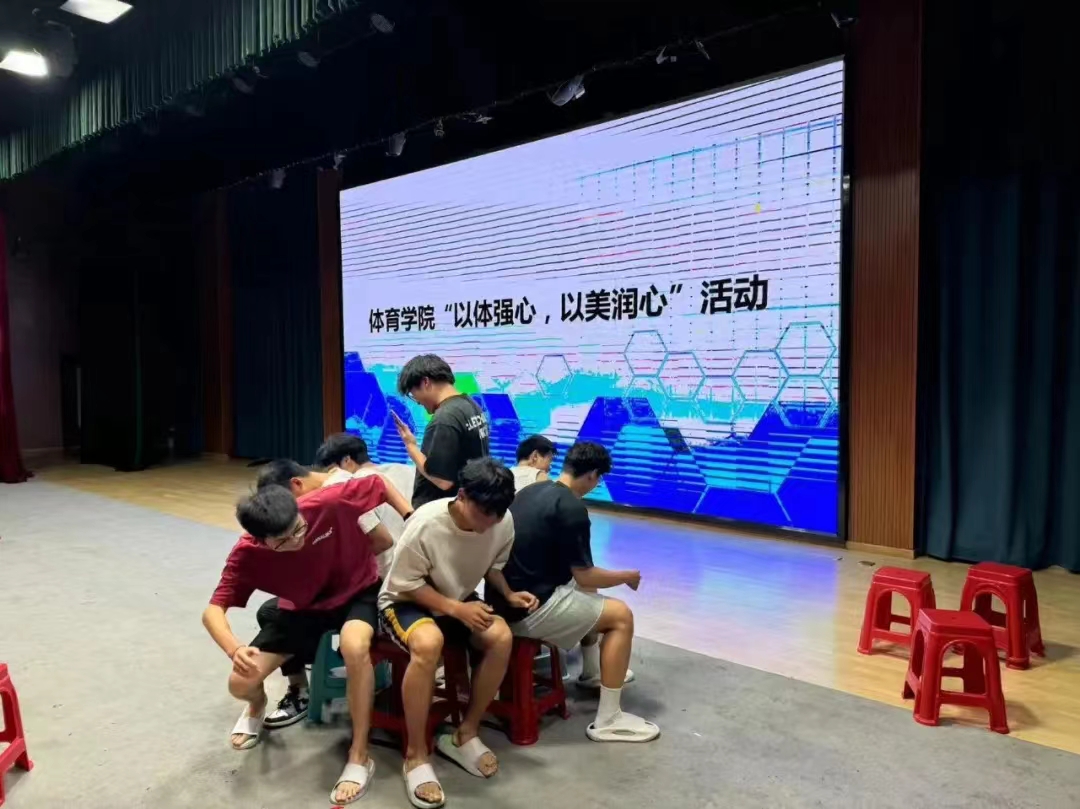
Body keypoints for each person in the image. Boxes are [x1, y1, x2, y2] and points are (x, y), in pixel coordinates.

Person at [202, 476, 391, 804]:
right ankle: (257, 705)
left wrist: (410, 513)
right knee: (240, 683)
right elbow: (212, 611)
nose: (297, 540)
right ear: (260, 541)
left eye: (299, 529)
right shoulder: (246, 554)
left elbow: (379, 483)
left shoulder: (324, 503)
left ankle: (360, 754)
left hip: (357, 593)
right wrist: (234, 649)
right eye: (283, 541)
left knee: (355, 645)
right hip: (304, 608)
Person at [378, 457, 531, 809]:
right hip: (405, 600)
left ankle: (466, 733)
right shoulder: (426, 523)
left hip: (457, 598)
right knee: (428, 643)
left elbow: (493, 567)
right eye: (483, 513)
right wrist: (456, 609)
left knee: (500, 637)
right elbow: (405, 584)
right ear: (462, 496)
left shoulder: (502, 520)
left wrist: (508, 593)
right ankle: (416, 754)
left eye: (497, 514)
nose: (490, 522)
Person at [487, 441, 659, 743]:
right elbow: (585, 572)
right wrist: (627, 577)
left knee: (589, 591)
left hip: (502, 597)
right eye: (598, 479)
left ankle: (592, 672)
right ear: (592, 475)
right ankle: (609, 719)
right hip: (529, 609)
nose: (596, 484)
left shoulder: (531, 491)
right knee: (621, 616)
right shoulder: (572, 508)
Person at [252, 455, 413, 730]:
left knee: (280, 615)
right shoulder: (333, 484)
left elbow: (382, 541)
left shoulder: (339, 493)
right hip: (352, 580)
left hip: (372, 584)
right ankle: (301, 682)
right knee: (276, 607)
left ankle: (301, 689)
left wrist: (329, 569)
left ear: (296, 484)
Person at [392, 354, 490, 510]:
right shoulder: (471, 405)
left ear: (425, 382)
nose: (417, 402)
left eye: (413, 393)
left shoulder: (445, 418)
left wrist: (411, 447)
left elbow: (442, 480)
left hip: (441, 513)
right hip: (466, 506)